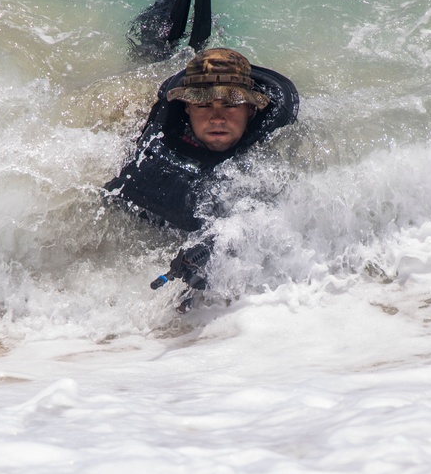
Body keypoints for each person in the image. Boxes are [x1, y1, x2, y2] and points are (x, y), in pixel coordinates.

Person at [102, 47, 299, 291]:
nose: (217, 118)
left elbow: (263, 219)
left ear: (251, 109)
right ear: (187, 107)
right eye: (204, 105)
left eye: (230, 105)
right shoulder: (160, 146)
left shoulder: (274, 147)